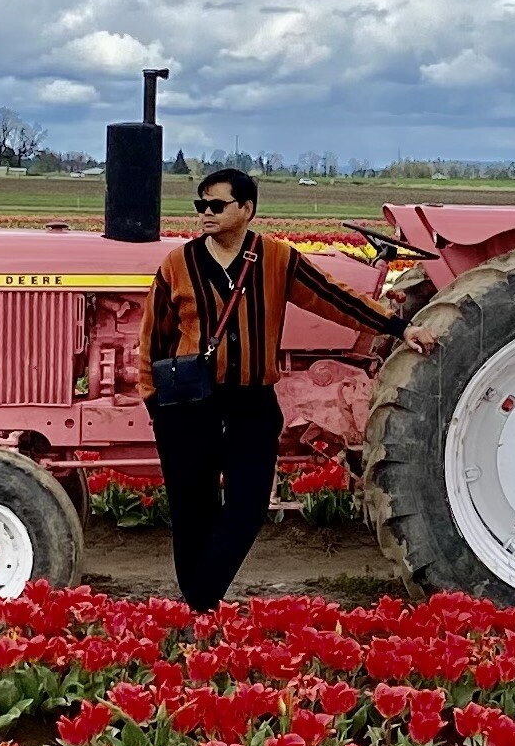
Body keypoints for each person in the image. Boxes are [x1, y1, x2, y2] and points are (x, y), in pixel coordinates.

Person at [138, 167, 436, 616]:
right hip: (190, 405)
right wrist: (154, 403)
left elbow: (334, 298)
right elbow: (154, 338)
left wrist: (399, 327)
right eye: (201, 206)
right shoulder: (178, 264)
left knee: (249, 503)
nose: (206, 214)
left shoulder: (276, 258)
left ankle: (199, 599)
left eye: (217, 205)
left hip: (251, 403)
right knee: (191, 509)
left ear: (246, 209)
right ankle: (202, 609)